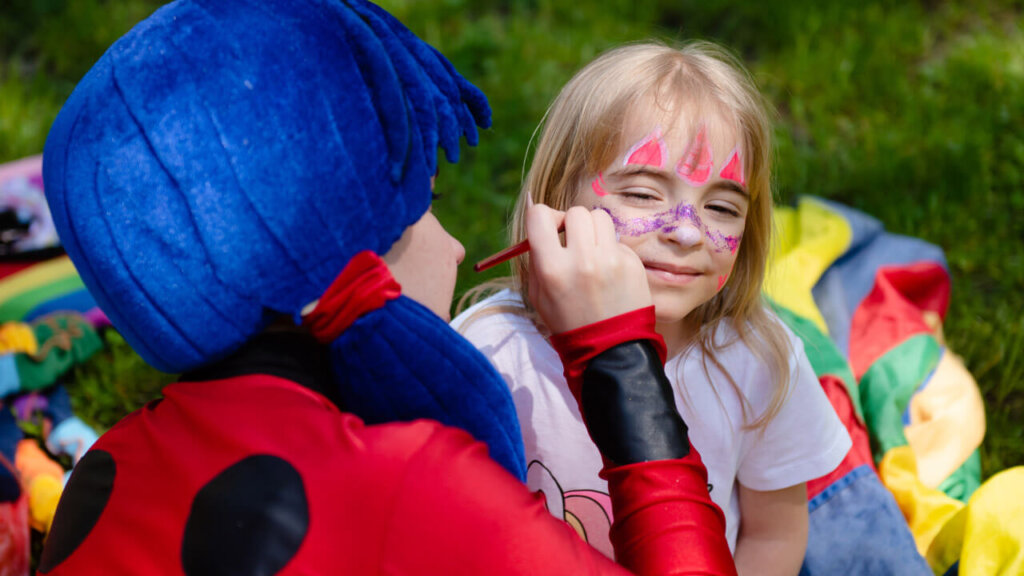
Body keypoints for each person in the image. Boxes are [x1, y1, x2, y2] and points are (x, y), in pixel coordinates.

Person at [36, 1, 736, 574]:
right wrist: (617, 356)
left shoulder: (107, 465)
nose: (458, 244)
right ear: (355, 244)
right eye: (426, 205)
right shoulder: (419, 484)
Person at [454, 41, 852, 575]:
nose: (688, 231)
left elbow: (773, 534)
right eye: (643, 194)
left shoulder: (764, 362)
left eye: (721, 206)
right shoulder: (490, 350)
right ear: (555, 198)